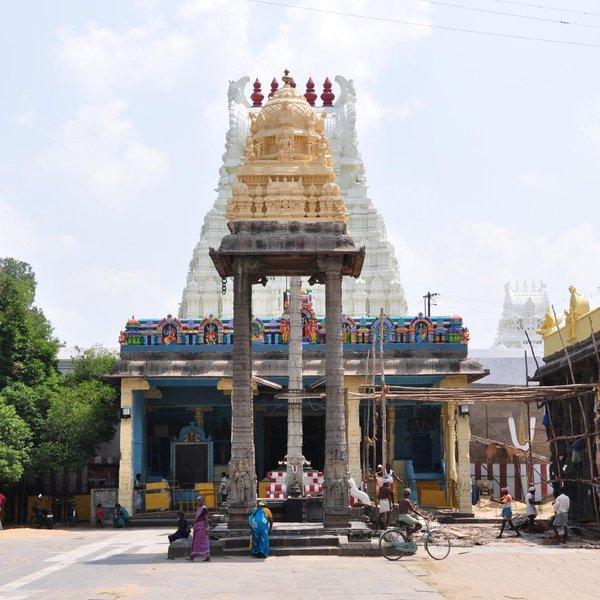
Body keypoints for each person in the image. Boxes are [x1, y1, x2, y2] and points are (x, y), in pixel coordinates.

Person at [188, 496, 210, 561]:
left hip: (202, 527)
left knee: (200, 542)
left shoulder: (204, 509)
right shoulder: (199, 509)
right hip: (197, 527)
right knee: (196, 541)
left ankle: (193, 556)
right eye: (198, 501)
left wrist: (206, 528)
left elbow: (206, 519)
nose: (198, 502)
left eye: (200, 500)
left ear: (203, 501)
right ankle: (194, 556)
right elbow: (196, 519)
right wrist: (191, 525)